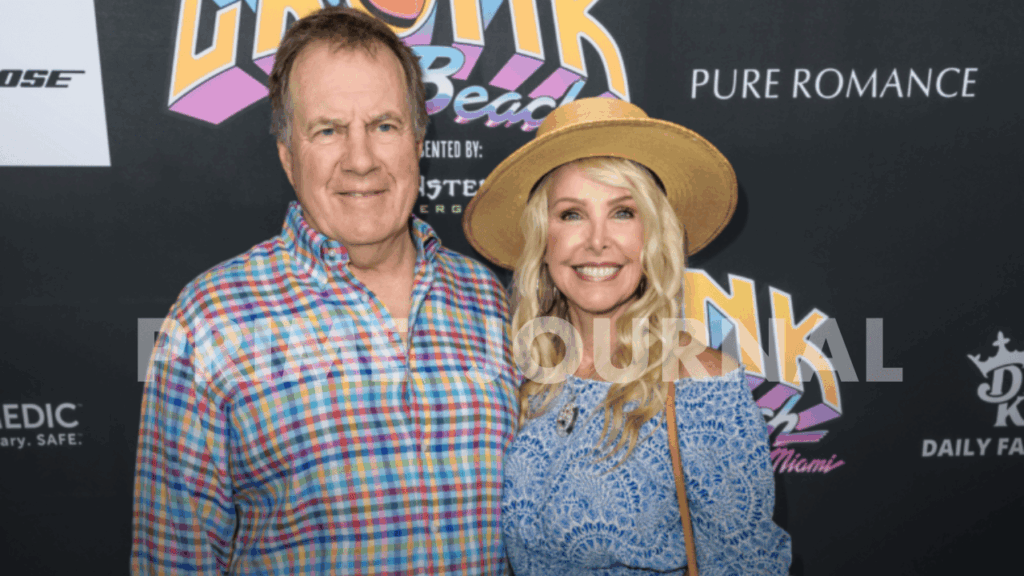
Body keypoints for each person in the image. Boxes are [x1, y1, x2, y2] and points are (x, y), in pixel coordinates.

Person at [132, 7, 517, 575]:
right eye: (328, 130)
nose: (360, 160)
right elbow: (172, 560)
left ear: (417, 140)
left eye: (384, 126)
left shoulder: (488, 298)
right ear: (290, 156)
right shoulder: (208, 319)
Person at [462, 97, 792, 574]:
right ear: (543, 239)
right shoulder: (520, 372)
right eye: (572, 214)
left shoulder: (701, 381)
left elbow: (747, 565)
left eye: (623, 212)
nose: (597, 240)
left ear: (651, 236)